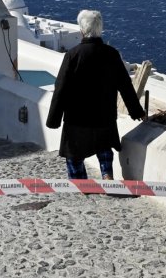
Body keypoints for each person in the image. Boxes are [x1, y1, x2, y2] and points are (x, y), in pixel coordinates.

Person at [46, 9, 146, 180]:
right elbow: (125, 86)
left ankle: (81, 183)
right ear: (100, 29)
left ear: (82, 30)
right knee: (104, 149)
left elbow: (61, 88)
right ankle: (107, 176)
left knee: (74, 156)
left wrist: (54, 119)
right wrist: (137, 112)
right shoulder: (112, 54)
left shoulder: (73, 55)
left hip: (77, 118)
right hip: (104, 116)